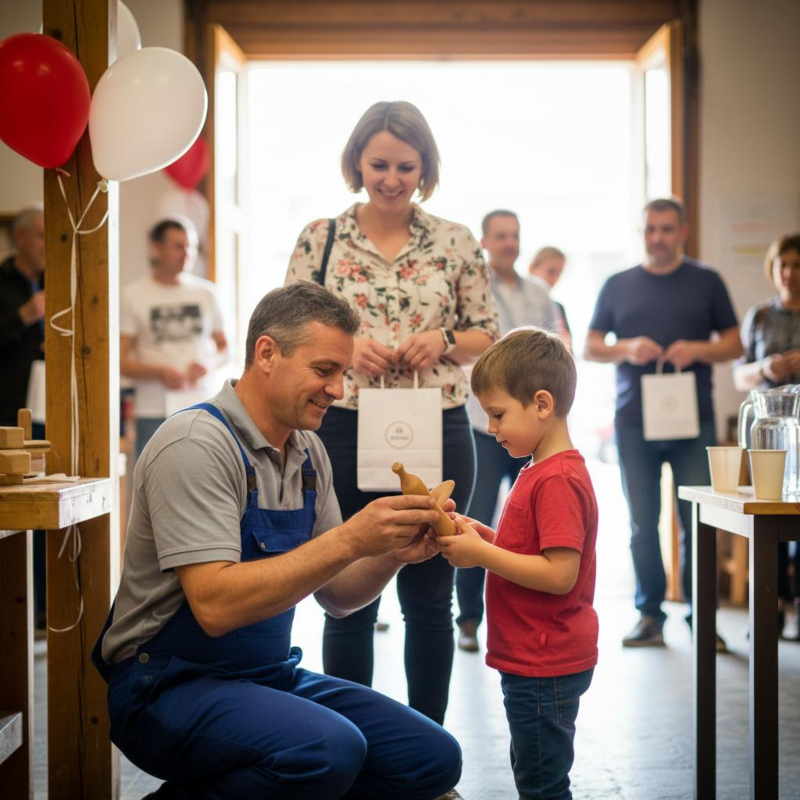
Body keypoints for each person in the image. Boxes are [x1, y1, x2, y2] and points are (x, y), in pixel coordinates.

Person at [92, 281, 462, 800]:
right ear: (266, 353)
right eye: (324, 370)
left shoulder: (308, 452)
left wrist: (391, 555)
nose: (338, 390)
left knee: (432, 759)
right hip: (165, 686)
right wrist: (351, 539)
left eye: (343, 373)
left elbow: (338, 599)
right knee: (327, 750)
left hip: (265, 676)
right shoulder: (195, 444)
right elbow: (215, 606)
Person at [286, 100, 498, 726]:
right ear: (357, 161)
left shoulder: (455, 240)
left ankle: (426, 750)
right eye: (379, 164)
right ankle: (352, 745)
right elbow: (290, 326)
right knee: (347, 593)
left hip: (436, 424)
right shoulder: (321, 237)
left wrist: (444, 340)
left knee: (430, 597)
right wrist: (347, 350)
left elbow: (488, 333)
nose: (391, 179)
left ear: (425, 167)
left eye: (406, 167)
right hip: (343, 423)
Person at [438, 328, 598, 800]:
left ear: (542, 404)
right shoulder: (541, 470)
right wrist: (482, 535)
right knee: (533, 771)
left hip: (545, 662)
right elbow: (533, 552)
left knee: (542, 785)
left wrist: (480, 555)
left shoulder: (557, 480)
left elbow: (560, 575)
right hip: (535, 658)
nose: (491, 428)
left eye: (498, 414)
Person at [584, 197, 742, 649]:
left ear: (682, 232)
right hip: (634, 423)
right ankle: (649, 616)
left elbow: (734, 343)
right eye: (650, 229)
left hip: (694, 424)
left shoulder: (706, 281)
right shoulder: (618, 284)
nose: (657, 238)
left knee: (699, 522)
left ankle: (702, 618)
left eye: (666, 229)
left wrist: (698, 350)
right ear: (642, 232)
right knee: (642, 524)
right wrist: (627, 348)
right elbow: (591, 346)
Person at [456, 210, 557, 653]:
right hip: (485, 425)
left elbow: (554, 353)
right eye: (500, 236)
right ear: (485, 242)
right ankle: (468, 619)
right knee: (476, 516)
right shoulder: (471, 292)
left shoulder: (539, 294)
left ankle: (526, 616)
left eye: (514, 235)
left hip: (531, 427)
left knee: (529, 523)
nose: (509, 243)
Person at [733, 232, 800, 638]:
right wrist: (764, 369)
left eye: (797, 265)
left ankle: (797, 605)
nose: (789, 273)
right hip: (769, 436)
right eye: (783, 265)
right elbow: (739, 375)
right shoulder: (758, 316)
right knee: (768, 516)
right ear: (772, 269)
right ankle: (770, 605)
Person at [120, 218, 228, 458]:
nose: (187, 253)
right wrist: (158, 372)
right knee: (153, 475)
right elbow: (120, 360)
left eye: (191, 246)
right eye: (179, 246)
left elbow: (225, 348)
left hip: (201, 404)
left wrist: (208, 363)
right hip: (153, 410)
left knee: (203, 472)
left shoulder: (207, 293)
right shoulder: (133, 295)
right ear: (157, 248)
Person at [0, 206, 47, 630]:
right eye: (40, 235)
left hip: (49, 410)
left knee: (45, 504)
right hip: (7, 410)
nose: (48, 244)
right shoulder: (3, 283)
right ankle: (16, 607)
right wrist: (24, 317)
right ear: (19, 239)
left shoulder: (57, 280)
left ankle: (45, 606)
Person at [529, 245, 572, 349]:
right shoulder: (520, 304)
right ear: (532, 269)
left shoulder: (558, 307)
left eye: (559, 273)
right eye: (551, 272)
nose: (555, 278)